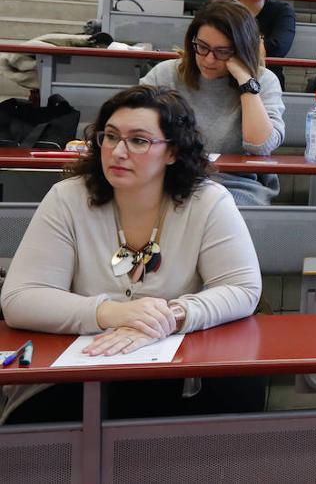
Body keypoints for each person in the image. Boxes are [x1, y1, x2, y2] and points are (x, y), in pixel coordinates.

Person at [0, 85, 263, 424]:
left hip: (176, 367)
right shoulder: (67, 199)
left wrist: (174, 316)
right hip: (80, 370)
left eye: (138, 141)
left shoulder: (208, 201)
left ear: (172, 152)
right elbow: (21, 298)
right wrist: (112, 314)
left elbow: (243, 288)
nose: (118, 152)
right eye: (110, 136)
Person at [140, 0, 285, 206]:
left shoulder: (263, 81)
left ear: (242, 50)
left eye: (223, 52)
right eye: (202, 47)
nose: (209, 59)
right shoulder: (166, 74)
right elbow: (131, 123)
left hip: (237, 185)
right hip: (170, 177)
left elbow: (260, 146)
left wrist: (245, 82)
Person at [225, 0, 296, 88]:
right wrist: (259, 43)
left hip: (266, 82)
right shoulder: (220, 10)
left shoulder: (283, 11)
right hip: (223, 79)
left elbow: (278, 49)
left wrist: (233, 48)